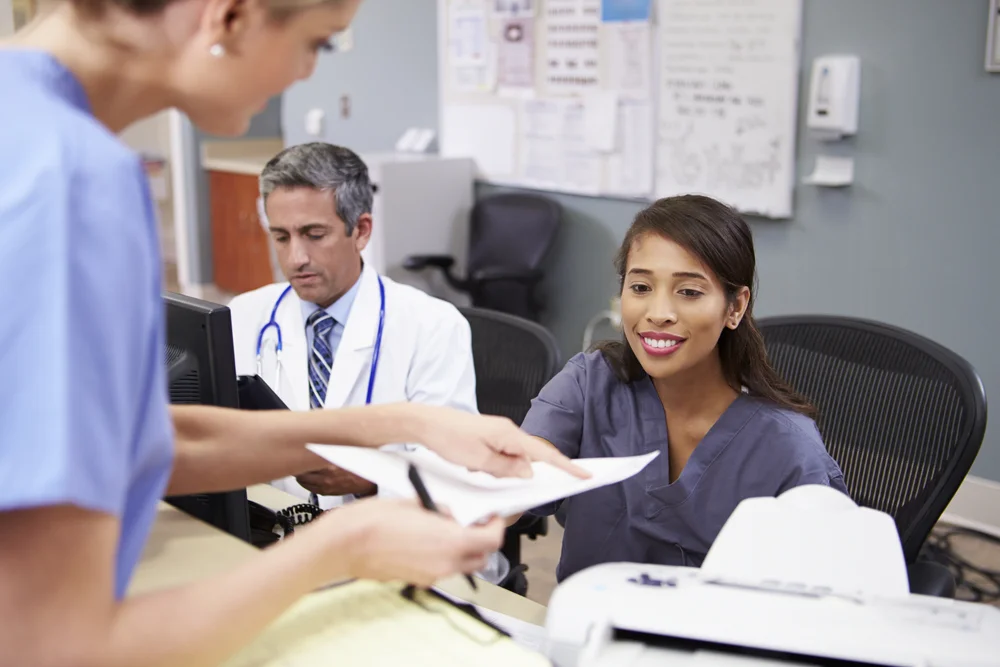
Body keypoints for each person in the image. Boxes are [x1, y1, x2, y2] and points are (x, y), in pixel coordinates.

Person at [0, 0, 587, 665]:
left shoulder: (20, 122)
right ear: (228, 16)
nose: (305, 75)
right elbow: (50, 645)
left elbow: (141, 436)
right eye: (319, 43)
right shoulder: (71, 176)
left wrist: (407, 422)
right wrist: (344, 544)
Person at [517, 195, 848, 583]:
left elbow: (829, 591)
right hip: (589, 631)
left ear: (735, 307)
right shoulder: (590, 383)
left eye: (689, 292)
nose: (658, 313)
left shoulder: (787, 448)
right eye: (640, 287)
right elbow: (517, 479)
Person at [229, 142, 477, 509]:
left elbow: (456, 472)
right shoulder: (245, 315)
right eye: (281, 237)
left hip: (392, 540)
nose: (296, 258)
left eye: (314, 235)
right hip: (278, 531)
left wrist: (371, 481)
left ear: (360, 231)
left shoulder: (433, 327)